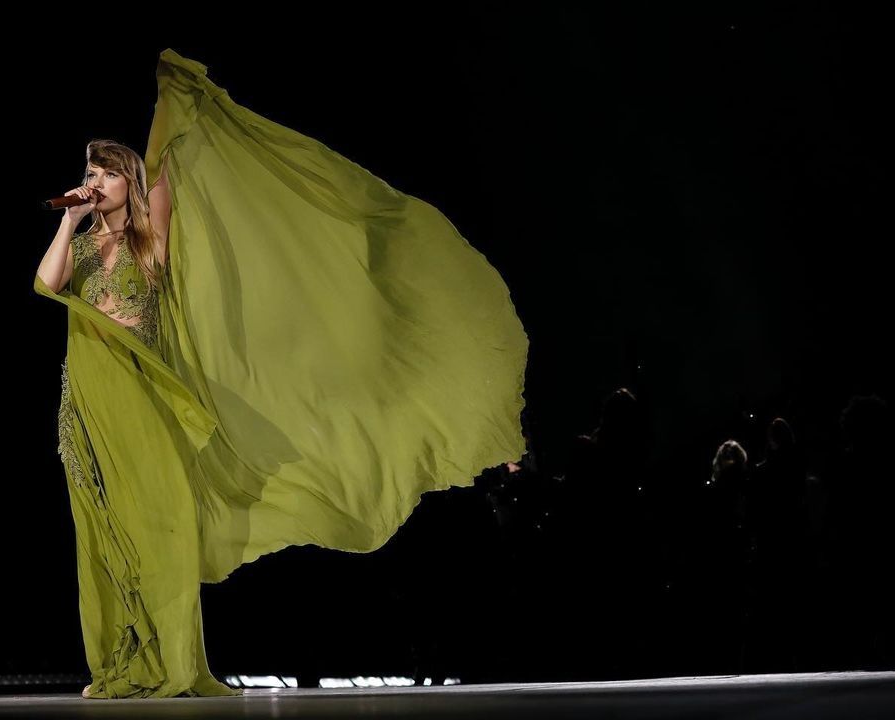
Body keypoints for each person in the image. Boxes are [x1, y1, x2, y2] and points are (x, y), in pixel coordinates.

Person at [33, 49, 529, 699]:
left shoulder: (148, 240)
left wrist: (173, 100)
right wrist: (71, 218)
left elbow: (168, 166)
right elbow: (46, 284)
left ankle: (171, 659)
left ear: (128, 179)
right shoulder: (81, 244)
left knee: (160, 520)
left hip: (144, 391)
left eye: (105, 172)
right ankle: (117, 659)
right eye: (88, 172)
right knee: (103, 525)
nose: (94, 180)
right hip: (90, 394)